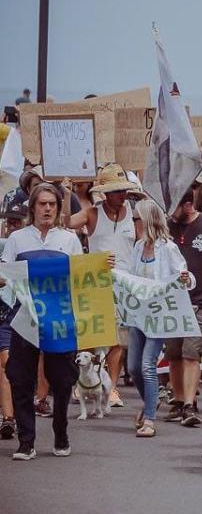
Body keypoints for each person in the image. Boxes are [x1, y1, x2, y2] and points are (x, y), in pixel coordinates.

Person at [3, 184, 84, 460]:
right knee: (20, 378)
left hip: (59, 319)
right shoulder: (17, 239)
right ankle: (26, 440)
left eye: (52, 204)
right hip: (25, 318)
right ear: (32, 208)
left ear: (59, 208)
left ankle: (60, 430)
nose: (47, 208)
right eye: (42, 204)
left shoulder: (69, 240)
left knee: (62, 380)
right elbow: (5, 274)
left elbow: (82, 277)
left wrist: (102, 267)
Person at [63, 163, 142, 408]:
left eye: (124, 190)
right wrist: (66, 194)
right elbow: (66, 222)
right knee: (90, 336)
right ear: (106, 193)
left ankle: (113, 387)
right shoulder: (92, 213)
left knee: (117, 340)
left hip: (125, 285)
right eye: (117, 191)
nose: (122, 195)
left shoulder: (134, 213)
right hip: (95, 284)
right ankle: (83, 385)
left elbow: (142, 245)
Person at [126, 200, 192, 438]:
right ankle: (150, 402)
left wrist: (185, 278)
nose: (133, 222)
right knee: (133, 367)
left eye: (136, 218)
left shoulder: (168, 248)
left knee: (147, 364)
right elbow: (132, 278)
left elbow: (184, 275)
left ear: (146, 220)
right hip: (138, 315)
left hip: (158, 315)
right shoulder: (137, 247)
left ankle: (150, 420)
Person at [164, 189, 202, 427]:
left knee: (191, 353)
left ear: (188, 205)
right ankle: (178, 401)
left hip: (199, 301)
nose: (172, 212)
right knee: (174, 354)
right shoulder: (168, 226)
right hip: (173, 301)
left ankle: (190, 403)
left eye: (176, 206)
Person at [0, 198, 27, 441]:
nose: (13, 226)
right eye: (9, 222)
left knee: (20, 366)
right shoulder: (4, 245)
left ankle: (25, 408)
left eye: (17, 221)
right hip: (4, 312)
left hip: (25, 309)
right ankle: (8, 418)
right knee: (5, 362)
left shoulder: (28, 243)